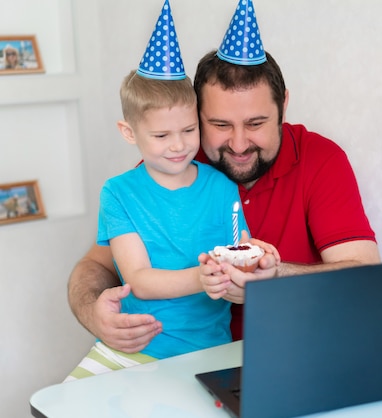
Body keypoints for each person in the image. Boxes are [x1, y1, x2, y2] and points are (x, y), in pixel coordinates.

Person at [67, 0, 380, 350]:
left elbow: (365, 275)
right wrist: (93, 313)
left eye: (256, 123)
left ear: (284, 105)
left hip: (301, 348)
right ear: (197, 116)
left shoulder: (320, 158)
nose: (240, 143)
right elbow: (97, 265)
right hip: (187, 358)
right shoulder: (175, 164)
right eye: (219, 125)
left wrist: (276, 275)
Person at [64, 0, 278, 381]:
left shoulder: (221, 186)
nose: (179, 146)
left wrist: (260, 261)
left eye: (189, 130)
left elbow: (240, 247)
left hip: (210, 353)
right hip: (135, 350)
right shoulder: (118, 193)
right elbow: (140, 281)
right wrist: (201, 278)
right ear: (129, 132)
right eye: (162, 135)